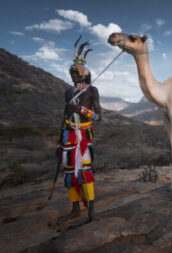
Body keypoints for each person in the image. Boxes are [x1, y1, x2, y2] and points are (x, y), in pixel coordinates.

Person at [56, 39, 101, 222]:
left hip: (83, 135)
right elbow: (64, 116)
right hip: (68, 135)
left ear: (83, 73)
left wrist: (82, 110)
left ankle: (91, 210)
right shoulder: (68, 92)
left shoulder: (92, 90)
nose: (73, 75)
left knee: (85, 171)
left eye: (76, 72)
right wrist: (59, 140)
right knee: (69, 172)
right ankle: (75, 208)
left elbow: (99, 116)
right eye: (71, 72)